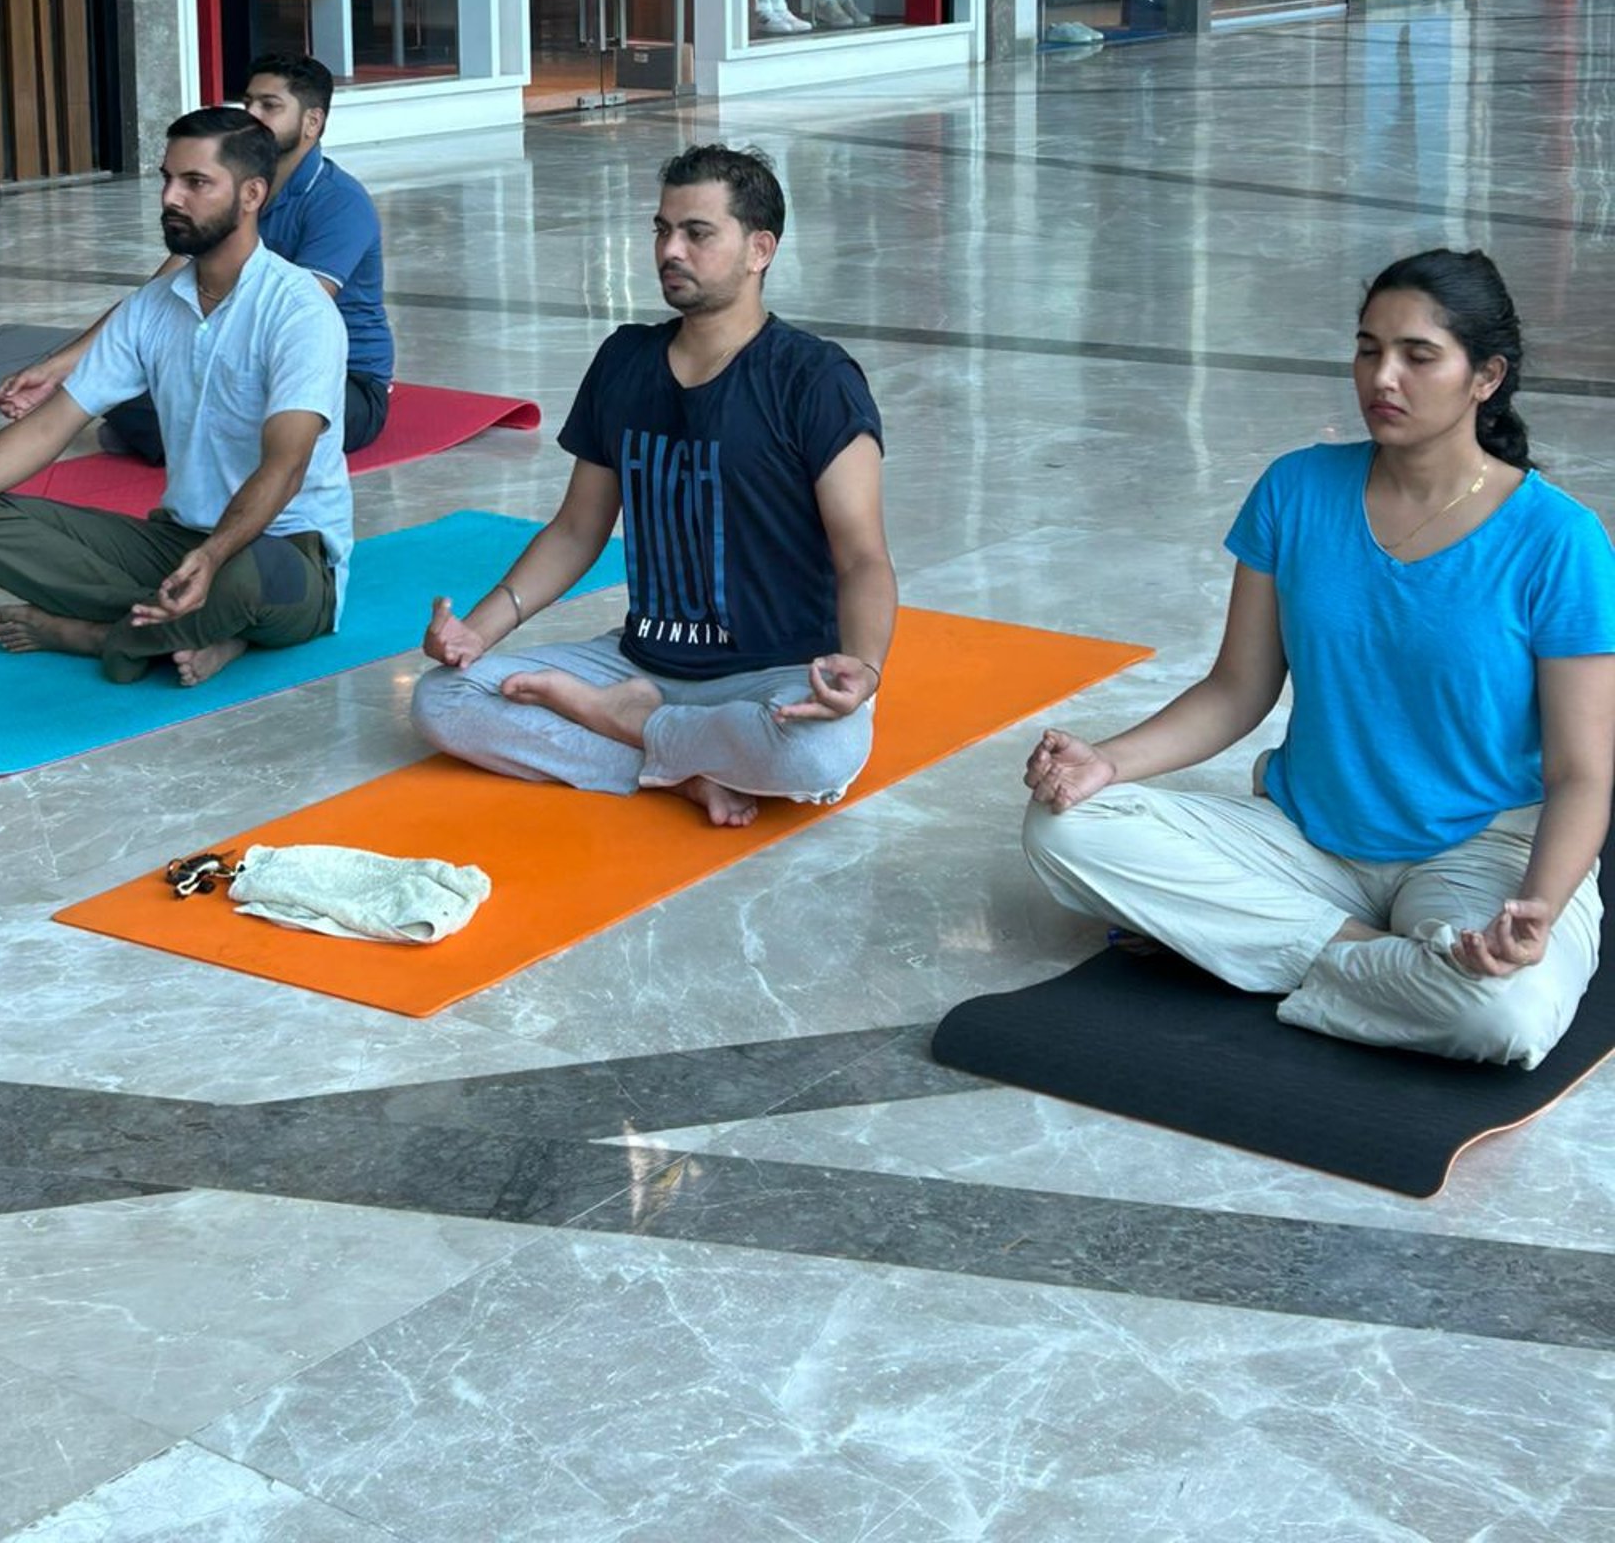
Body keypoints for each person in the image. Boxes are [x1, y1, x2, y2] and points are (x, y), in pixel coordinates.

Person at [1023, 249, 1615, 1069]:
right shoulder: (1295, 489)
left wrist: (1539, 909)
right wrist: (1105, 762)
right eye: (1369, 348)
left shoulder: (1559, 541)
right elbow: (1238, 690)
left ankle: (1273, 952)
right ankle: (1382, 962)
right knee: (1067, 828)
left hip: (1480, 851)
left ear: (1486, 377)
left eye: (1418, 355)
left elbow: (1582, 773)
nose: (1383, 377)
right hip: (1309, 839)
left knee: (1506, 1015)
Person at [412, 143, 895, 827]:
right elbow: (578, 529)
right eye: (662, 230)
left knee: (823, 751)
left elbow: (863, 556)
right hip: (641, 660)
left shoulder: (814, 380)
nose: (671, 249)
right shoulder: (624, 360)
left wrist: (864, 670)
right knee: (442, 701)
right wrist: (477, 632)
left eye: (698, 233)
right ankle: (679, 770)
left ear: (760, 249)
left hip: (773, 670)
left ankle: (635, 732)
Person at [0, 108, 350, 689]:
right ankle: (195, 628)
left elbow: (286, 468)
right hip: (176, 541)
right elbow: (49, 426)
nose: (171, 197)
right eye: (167, 178)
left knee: (241, 581)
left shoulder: (297, 311)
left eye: (195, 183)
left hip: (284, 554)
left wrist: (213, 558)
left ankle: (97, 636)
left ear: (252, 194)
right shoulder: (153, 307)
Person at [0, 53, 393, 459]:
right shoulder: (229, 189)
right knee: (130, 390)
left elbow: (296, 318)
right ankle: (169, 428)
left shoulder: (341, 203)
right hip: (245, 364)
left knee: (200, 407)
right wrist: (59, 370)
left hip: (343, 380)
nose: (252, 116)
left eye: (269, 106)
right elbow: (156, 298)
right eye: (248, 102)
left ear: (312, 122)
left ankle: (167, 432)